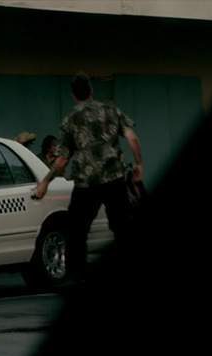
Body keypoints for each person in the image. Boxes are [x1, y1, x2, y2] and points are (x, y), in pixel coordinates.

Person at [33, 73, 143, 280]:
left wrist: (45, 182)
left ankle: (78, 276)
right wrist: (139, 164)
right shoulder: (111, 109)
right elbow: (131, 137)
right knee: (122, 226)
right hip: (114, 178)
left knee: (77, 231)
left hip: (87, 182)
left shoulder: (71, 119)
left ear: (74, 95)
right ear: (91, 91)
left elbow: (62, 160)